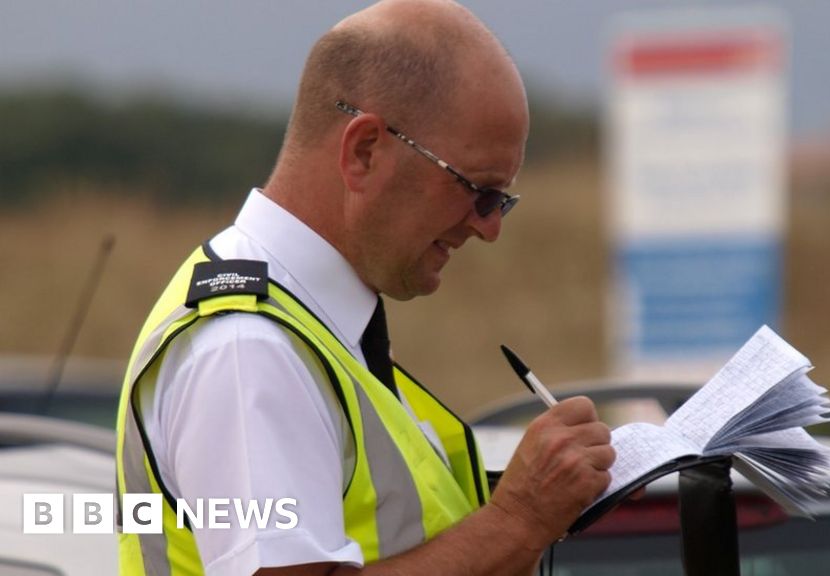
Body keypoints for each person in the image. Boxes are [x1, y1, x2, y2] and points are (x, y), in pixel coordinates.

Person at [114, 1, 615, 575]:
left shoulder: (316, 327)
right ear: (365, 151)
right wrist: (518, 519)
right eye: (477, 190)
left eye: (502, 200)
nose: (490, 227)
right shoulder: (248, 347)